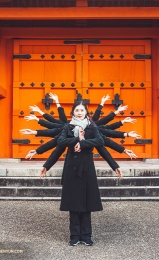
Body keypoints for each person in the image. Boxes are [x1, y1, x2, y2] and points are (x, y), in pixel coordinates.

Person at [57, 101, 104, 246]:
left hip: (86, 168)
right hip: (72, 168)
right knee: (73, 204)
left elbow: (100, 141)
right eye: (76, 110)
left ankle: (86, 235)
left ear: (86, 112)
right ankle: (74, 236)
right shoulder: (68, 126)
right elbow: (60, 141)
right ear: (72, 113)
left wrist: (83, 143)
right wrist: (77, 139)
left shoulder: (92, 126)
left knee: (86, 203)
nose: (79, 112)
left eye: (82, 110)